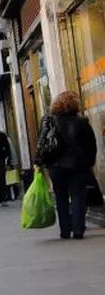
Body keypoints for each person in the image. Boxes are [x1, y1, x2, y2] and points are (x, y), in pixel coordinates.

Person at [37, 90, 98, 240]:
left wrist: (40, 162)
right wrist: (90, 163)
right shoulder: (82, 122)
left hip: (56, 166)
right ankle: (78, 230)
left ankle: (65, 230)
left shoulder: (50, 121)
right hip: (77, 165)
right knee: (78, 196)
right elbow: (91, 145)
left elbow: (41, 143)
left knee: (61, 197)